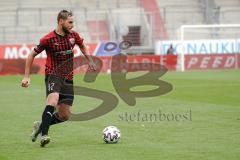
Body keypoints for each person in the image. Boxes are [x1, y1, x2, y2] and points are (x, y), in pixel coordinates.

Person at [21, 10, 96, 147]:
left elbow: (82, 45)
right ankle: (44, 135)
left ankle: (41, 125)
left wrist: (90, 60)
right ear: (60, 21)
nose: (72, 25)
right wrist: (26, 76)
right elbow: (31, 55)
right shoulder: (48, 39)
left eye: (73, 22)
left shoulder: (74, 36)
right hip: (53, 75)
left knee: (64, 115)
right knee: (53, 100)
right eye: (70, 22)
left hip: (68, 77)